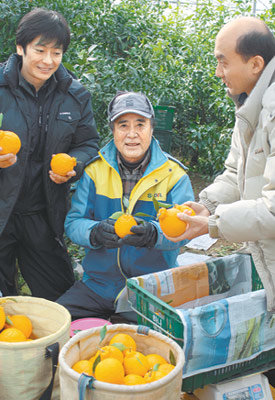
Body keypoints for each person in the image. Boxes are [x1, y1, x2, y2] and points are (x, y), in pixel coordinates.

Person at [166, 17, 275, 313]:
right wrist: (207, 205)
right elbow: (235, 174)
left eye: (223, 62)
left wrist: (213, 225)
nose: (218, 72)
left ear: (255, 64)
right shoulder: (250, 105)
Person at [57, 91, 194, 321]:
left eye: (140, 124)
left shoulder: (174, 175)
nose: (132, 134)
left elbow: (187, 230)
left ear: (151, 128)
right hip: (98, 286)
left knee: (138, 346)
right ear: (113, 130)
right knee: (55, 324)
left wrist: (154, 234)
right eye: (123, 125)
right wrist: (95, 232)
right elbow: (73, 223)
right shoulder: (94, 171)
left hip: (150, 289)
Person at [0, 8, 99, 301]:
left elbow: (88, 143)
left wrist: (75, 165)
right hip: (1, 209)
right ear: (21, 48)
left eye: (56, 52)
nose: (48, 60)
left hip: (43, 213)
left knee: (62, 299)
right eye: (40, 50)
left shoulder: (75, 95)